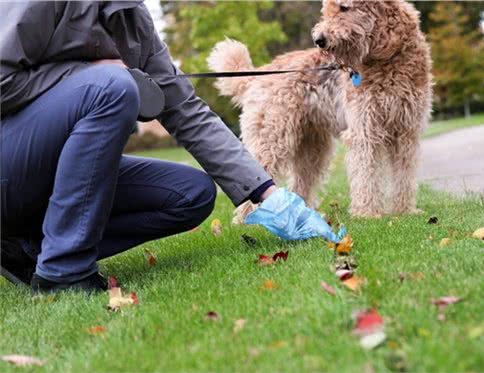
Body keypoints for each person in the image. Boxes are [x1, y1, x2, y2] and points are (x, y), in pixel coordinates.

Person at [0, 2, 327, 293]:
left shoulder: (132, 18)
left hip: (48, 176)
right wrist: (91, 74)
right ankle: (63, 271)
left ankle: (28, 249)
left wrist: (267, 193)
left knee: (192, 193)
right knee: (112, 87)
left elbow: (184, 109)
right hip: (10, 167)